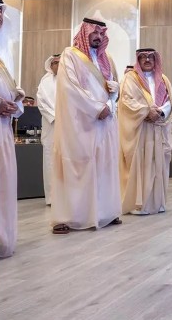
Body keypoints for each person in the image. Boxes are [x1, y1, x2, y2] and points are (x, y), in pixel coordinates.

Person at [49, 18, 123, 234]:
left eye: (101, 33)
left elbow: (114, 89)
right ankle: (68, 217)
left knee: (103, 166)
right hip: (80, 123)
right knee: (77, 166)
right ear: (84, 32)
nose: (98, 36)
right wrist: (96, 108)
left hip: (105, 122)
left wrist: (113, 97)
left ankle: (104, 212)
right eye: (94, 32)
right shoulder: (70, 55)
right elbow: (69, 87)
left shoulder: (106, 58)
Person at [119, 48, 172, 215]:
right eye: (143, 57)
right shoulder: (130, 78)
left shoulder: (164, 79)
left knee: (158, 165)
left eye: (151, 57)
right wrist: (146, 111)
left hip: (158, 128)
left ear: (156, 59)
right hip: (140, 130)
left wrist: (160, 112)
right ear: (138, 60)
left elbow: (170, 101)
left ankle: (157, 202)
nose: (147, 60)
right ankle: (138, 204)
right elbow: (126, 100)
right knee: (140, 165)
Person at [0, 0, 24, 257]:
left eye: (0, 10)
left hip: (0, 126)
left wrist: (16, 101)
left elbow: (9, 86)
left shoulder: (2, 50)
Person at [36, 54, 60, 205]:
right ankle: (52, 198)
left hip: (68, 126)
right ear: (50, 65)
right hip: (51, 126)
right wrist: (55, 117)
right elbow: (41, 103)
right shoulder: (44, 82)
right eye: (55, 63)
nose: (58, 65)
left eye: (60, 62)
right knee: (51, 160)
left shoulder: (71, 79)